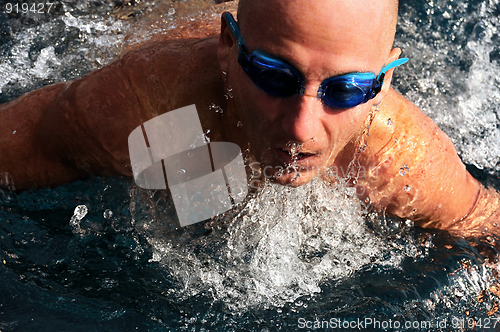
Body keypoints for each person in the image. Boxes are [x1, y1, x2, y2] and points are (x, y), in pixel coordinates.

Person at [0, 0, 498, 235]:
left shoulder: (397, 157)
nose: (302, 127)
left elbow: (488, 230)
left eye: (345, 89)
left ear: (384, 82)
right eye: (273, 76)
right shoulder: (142, 108)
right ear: (227, 47)